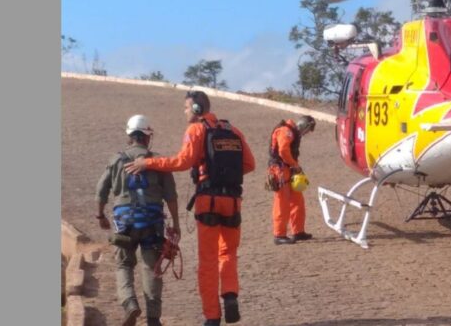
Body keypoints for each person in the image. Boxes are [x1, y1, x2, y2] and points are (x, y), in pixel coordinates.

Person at [125, 91, 256, 326]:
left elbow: (182, 162)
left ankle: (212, 317)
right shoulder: (233, 130)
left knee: (208, 261)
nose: (184, 112)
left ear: (196, 108)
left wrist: (147, 163)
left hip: (208, 201)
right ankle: (230, 295)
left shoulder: (196, 130)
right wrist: (227, 176)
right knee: (228, 253)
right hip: (234, 201)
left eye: (186, 108)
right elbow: (249, 164)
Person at [95, 114, 180, 326]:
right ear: (147, 137)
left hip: (124, 223)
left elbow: (101, 190)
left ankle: (130, 304)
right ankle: (153, 318)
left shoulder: (116, 160)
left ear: (130, 136)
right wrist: (176, 224)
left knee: (123, 264)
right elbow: (171, 196)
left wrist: (100, 215)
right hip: (152, 223)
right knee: (152, 268)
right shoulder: (158, 161)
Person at [268, 115, 316, 245]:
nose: (306, 134)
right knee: (282, 203)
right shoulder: (286, 131)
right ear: (303, 126)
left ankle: (298, 231)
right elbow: (283, 151)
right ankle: (279, 235)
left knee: (297, 201)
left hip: (288, 169)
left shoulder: (291, 133)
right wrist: (295, 165)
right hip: (280, 170)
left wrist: (295, 167)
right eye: (307, 130)